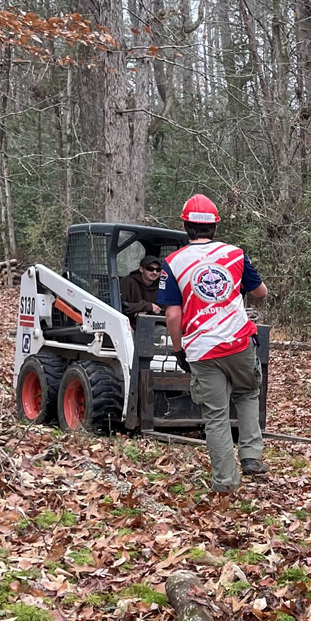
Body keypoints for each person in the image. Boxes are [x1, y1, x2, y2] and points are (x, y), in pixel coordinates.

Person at [160, 194, 268, 493]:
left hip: (200, 348)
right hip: (238, 341)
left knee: (216, 416)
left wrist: (179, 348)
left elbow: (172, 314)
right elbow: (260, 293)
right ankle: (251, 457)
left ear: (186, 226)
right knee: (247, 393)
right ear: (215, 227)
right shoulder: (235, 254)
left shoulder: (172, 263)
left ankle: (225, 482)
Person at [121, 256, 164, 321]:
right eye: (150, 269)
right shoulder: (128, 281)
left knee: (165, 331)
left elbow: (165, 309)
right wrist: (148, 306)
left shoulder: (162, 284)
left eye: (158, 270)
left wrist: (146, 312)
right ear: (141, 269)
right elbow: (122, 306)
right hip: (130, 322)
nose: (154, 272)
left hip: (154, 323)